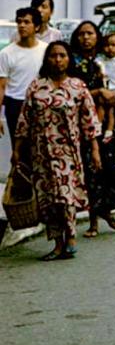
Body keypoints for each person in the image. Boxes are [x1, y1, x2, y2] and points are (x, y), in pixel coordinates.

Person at [11, 42, 102, 260]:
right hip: (41, 153)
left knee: (65, 196)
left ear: (68, 59)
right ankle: (57, 243)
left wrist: (95, 151)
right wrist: (17, 150)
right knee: (47, 199)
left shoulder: (78, 87)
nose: (58, 60)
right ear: (47, 59)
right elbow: (25, 121)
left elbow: (89, 122)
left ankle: (71, 237)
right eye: (53, 56)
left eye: (62, 56)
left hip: (68, 153)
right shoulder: (36, 87)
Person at [69, 20, 115, 238]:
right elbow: (71, 95)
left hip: (106, 122)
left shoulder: (103, 61)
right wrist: (98, 93)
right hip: (80, 125)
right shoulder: (72, 63)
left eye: (90, 33)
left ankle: (105, 210)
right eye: (81, 34)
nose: (85, 38)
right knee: (90, 174)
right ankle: (93, 221)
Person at [0, 8, 47, 143]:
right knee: (18, 148)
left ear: (36, 26)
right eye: (19, 22)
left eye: (27, 22)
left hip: (40, 103)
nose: (22, 25)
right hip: (15, 103)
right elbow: (1, 86)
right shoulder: (6, 53)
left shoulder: (46, 50)